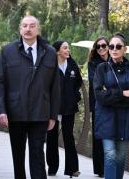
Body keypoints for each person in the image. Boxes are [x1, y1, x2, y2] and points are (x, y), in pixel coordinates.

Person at [0, 15, 60, 179]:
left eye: (32, 26)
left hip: (40, 112)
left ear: (38, 29)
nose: (28, 29)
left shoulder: (50, 52)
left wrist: (53, 116)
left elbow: (55, 86)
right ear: (20, 29)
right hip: (15, 112)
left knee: (37, 154)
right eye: (24, 26)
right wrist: (1, 110)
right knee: (18, 154)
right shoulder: (8, 51)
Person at [93, 33, 129, 179]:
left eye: (118, 46)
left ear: (125, 49)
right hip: (106, 119)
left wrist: (111, 95)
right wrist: (124, 94)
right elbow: (99, 96)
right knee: (110, 155)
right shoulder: (102, 68)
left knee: (120, 156)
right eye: (111, 46)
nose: (114, 49)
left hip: (126, 120)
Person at [46, 41, 82, 178]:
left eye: (68, 48)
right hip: (53, 109)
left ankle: (72, 169)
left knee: (69, 137)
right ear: (57, 51)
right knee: (51, 137)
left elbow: (78, 82)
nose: (68, 50)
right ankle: (52, 167)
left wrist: (75, 96)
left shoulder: (72, 65)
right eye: (65, 48)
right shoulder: (49, 67)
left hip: (69, 108)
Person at [87, 37, 109, 178]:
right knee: (99, 135)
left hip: (113, 103)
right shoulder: (93, 63)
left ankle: (110, 166)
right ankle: (100, 169)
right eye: (98, 46)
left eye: (103, 45)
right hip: (98, 104)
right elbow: (95, 82)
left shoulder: (115, 60)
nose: (101, 48)